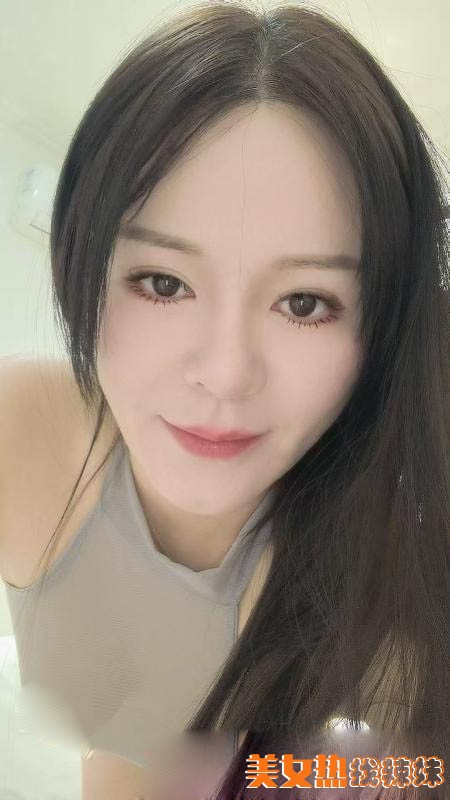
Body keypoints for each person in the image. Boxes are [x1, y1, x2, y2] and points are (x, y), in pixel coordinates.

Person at [0, 1, 448, 798]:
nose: (226, 374)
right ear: (83, 268)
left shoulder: (387, 626)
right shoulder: (25, 435)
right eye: (163, 283)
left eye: (305, 302)